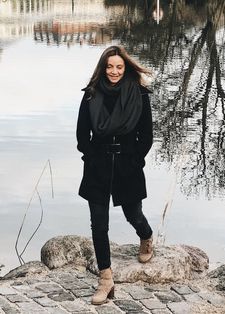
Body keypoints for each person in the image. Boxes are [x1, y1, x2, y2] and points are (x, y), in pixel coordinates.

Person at [76, 45, 153, 305]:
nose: (114, 71)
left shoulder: (139, 94)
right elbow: (81, 135)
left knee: (134, 214)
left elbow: (147, 136)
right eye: (109, 66)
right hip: (97, 165)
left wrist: (135, 159)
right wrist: (91, 157)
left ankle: (146, 236)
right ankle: (106, 280)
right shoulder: (91, 94)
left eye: (119, 66)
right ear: (103, 67)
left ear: (126, 67)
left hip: (127, 164)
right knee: (99, 224)